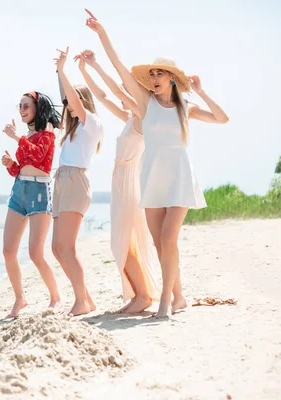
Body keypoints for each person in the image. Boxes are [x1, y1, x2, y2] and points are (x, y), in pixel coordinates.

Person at [84, 9, 229, 317]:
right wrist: (101, 33)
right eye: (151, 74)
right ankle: (179, 297)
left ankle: (165, 300)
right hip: (151, 177)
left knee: (168, 238)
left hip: (179, 176)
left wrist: (201, 91)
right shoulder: (145, 104)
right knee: (160, 244)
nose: (153, 78)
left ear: (173, 80)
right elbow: (119, 69)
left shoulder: (186, 108)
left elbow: (222, 118)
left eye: (159, 74)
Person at [75, 49, 161, 313]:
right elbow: (102, 96)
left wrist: (99, 65)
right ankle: (139, 294)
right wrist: (84, 71)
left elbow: (118, 92)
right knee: (124, 240)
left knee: (121, 241)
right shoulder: (129, 120)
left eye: (129, 92)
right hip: (121, 180)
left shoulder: (144, 119)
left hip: (130, 181)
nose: (123, 96)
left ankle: (143, 295)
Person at [1, 91, 62, 318]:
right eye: (20, 106)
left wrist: (17, 138)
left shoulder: (47, 131)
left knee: (36, 253)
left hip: (39, 192)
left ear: (38, 107)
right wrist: (10, 164)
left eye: (26, 106)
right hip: (19, 189)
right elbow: (23, 167)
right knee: (8, 251)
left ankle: (55, 298)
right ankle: (20, 299)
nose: (22, 109)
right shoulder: (29, 134)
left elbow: (39, 157)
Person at [53, 47, 104, 316]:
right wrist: (58, 72)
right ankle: (86, 298)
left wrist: (64, 70)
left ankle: (81, 301)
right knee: (56, 248)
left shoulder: (91, 123)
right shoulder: (71, 131)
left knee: (67, 248)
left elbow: (73, 97)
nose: (67, 104)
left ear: (81, 101)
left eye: (71, 100)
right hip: (62, 181)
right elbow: (67, 96)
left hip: (75, 182)